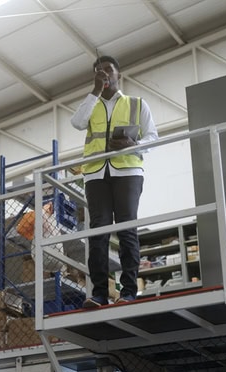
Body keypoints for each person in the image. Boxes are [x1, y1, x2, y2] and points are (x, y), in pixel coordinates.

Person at [70, 55, 158, 308]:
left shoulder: (137, 103)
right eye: (98, 72)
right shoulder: (91, 104)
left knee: (127, 229)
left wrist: (134, 144)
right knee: (98, 233)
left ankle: (128, 292)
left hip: (128, 172)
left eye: (108, 70)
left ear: (119, 74)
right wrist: (95, 91)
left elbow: (153, 136)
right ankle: (98, 293)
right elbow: (76, 123)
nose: (104, 74)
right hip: (96, 173)